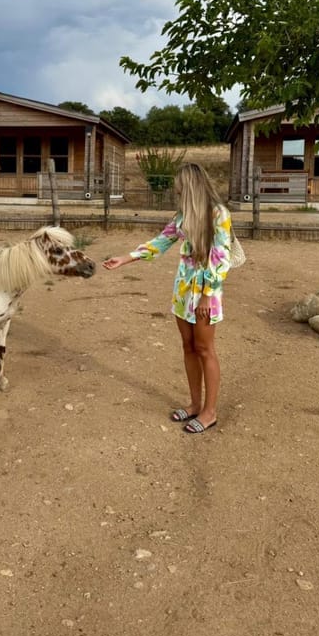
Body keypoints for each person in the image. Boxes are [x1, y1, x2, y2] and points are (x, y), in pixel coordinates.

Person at [103, 162, 231, 434]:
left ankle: (210, 412)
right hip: (183, 290)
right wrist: (126, 258)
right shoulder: (183, 216)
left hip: (206, 293)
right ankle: (195, 404)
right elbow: (161, 241)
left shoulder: (218, 214)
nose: (177, 191)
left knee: (205, 349)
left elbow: (222, 258)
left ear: (191, 186)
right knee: (188, 347)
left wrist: (208, 296)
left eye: (180, 187)